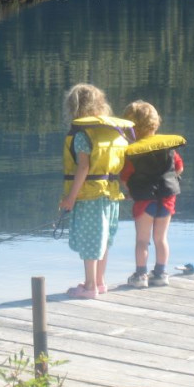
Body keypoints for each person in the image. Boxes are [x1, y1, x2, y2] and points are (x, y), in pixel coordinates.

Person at [59, 83, 135, 299]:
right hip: (111, 194)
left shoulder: (83, 135)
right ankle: (100, 282)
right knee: (104, 239)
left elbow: (83, 167)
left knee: (91, 240)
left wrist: (70, 198)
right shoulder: (112, 133)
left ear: (75, 108)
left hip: (91, 195)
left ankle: (90, 287)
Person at [120, 100, 185, 288]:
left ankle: (141, 276)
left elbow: (125, 178)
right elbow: (179, 168)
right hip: (167, 196)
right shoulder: (167, 147)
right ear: (155, 123)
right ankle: (161, 273)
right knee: (161, 238)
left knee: (142, 239)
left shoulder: (132, 152)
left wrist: (131, 191)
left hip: (144, 200)